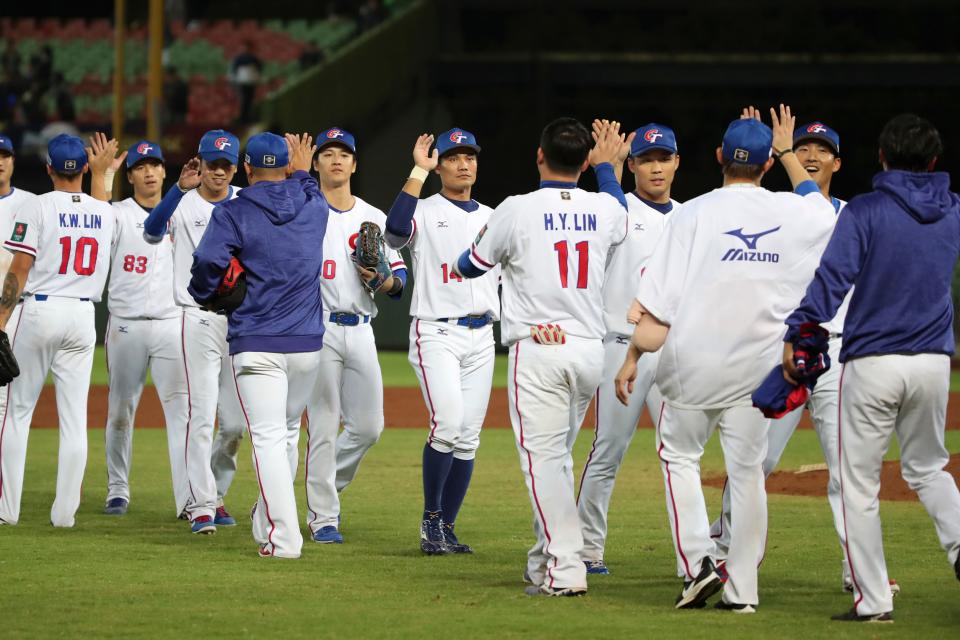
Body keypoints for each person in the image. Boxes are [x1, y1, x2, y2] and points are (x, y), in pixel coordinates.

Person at [615, 106, 836, 612]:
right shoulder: (794, 210)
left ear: (718, 157)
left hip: (691, 365)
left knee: (679, 457)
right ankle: (743, 590)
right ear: (765, 164)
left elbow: (659, 306)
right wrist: (788, 154)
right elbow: (824, 212)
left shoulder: (691, 213)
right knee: (747, 473)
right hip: (758, 370)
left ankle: (698, 564)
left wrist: (630, 357)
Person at [706, 121, 902, 596]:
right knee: (756, 459)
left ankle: (858, 571)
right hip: (785, 350)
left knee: (847, 469)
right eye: (803, 147)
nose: (812, 154)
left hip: (835, 353)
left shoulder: (853, 214)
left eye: (822, 149)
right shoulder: (777, 211)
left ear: (838, 161)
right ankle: (721, 550)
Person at [782, 113, 960, 623]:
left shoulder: (865, 211)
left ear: (881, 157)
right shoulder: (952, 212)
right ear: (932, 161)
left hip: (873, 364)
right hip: (932, 364)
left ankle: (873, 599)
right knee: (928, 468)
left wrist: (800, 333)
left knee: (858, 486)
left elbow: (831, 282)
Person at [452, 118, 628, 595]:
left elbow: (470, 265)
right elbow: (619, 208)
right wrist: (608, 169)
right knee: (559, 460)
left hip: (541, 349)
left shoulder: (516, 209)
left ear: (538, 155)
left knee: (545, 462)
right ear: (586, 161)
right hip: (590, 350)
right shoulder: (603, 206)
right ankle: (540, 561)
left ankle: (564, 571)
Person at [189, 132, 329, 558]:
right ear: (286, 167)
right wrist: (303, 171)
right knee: (286, 434)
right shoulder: (315, 205)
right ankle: (267, 518)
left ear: (246, 169)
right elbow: (307, 187)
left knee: (267, 438)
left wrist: (205, 294)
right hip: (307, 344)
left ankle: (283, 539)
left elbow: (208, 263)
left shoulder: (232, 212)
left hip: (257, 341)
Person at [384, 128, 499, 555]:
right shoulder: (425, 210)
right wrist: (418, 169)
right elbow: (394, 231)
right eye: (453, 157)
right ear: (440, 165)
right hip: (436, 330)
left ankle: (446, 526)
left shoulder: (493, 216)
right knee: (447, 424)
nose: (463, 163)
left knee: (468, 437)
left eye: (469, 155)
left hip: (483, 334)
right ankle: (431, 518)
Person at [576, 122, 682, 575]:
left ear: (677, 162)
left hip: (676, 350)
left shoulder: (689, 215)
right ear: (633, 164)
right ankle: (586, 548)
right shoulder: (616, 212)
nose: (656, 167)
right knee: (609, 450)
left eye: (664, 158)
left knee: (681, 454)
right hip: (619, 347)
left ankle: (694, 554)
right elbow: (604, 213)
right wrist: (607, 170)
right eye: (647, 159)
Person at [0, 133, 115, 527]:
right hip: (84, 318)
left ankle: (7, 511)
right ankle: (65, 514)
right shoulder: (106, 211)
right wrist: (102, 174)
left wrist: (0, 324)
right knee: (74, 419)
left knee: (16, 414)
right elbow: (100, 202)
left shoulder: (36, 205)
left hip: (41, 311)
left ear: (47, 168)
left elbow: (18, 270)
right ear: (83, 167)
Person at [304, 127, 407, 544]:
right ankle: (323, 515)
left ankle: (323, 488)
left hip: (362, 328)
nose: (336, 160)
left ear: (354, 164)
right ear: (315, 164)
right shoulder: (304, 211)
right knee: (324, 426)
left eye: (343, 153)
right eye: (327, 153)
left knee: (369, 427)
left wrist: (383, 281)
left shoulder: (373, 216)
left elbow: (399, 281)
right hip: (319, 328)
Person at [143, 129, 245, 534]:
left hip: (239, 322)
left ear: (236, 167)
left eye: (225, 165)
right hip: (196, 317)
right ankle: (200, 504)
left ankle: (215, 492)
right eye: (211, 163)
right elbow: (151, 232)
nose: (218, 171)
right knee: (200, 414)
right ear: (198, 164)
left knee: (235, 424)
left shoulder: (244, 202)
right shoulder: (183, 202)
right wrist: (176, 189)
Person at [98, 140, 190, 518]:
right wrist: (102, 175)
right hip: (127, 325)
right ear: (130, 174)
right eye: (141, 166)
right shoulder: (117, 214)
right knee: (120, 410)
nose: (149, 171)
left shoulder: (185, 212)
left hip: (172, 323)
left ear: (165, 172)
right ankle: (117, 489)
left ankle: (189, 498)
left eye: (155, 165)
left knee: (182, 414)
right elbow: (95, 220)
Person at [229, 42, 262, 124]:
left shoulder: (254, 59)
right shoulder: (239, 58)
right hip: (242, 81)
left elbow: (259, 68)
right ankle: (243, 117)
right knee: (243, 99)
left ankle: (248, 117)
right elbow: (234, 69)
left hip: (251, 81)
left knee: (250, 100)